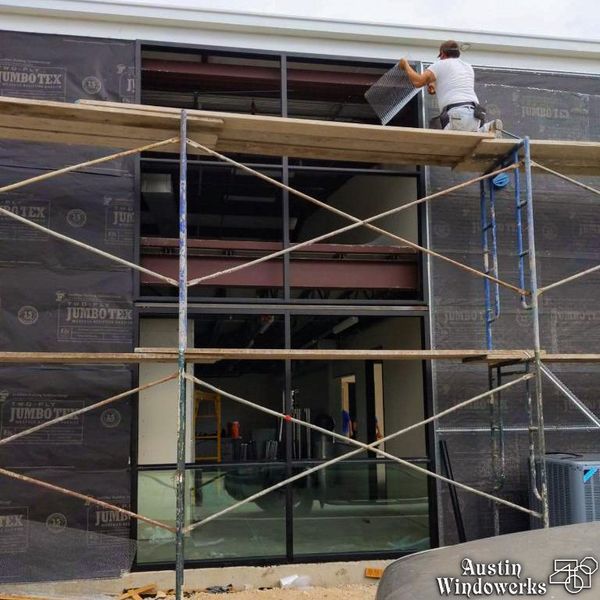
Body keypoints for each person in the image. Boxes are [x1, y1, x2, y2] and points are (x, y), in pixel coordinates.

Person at [398, 40, 502, 134]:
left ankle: (485, 129)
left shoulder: (440, 64)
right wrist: (434, 86)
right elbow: (453, 84)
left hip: (457, 114)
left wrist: (405, 65)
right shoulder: (468, 67)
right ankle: (486, 128)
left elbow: (417, 82)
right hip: (476, 115)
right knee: (468, 136)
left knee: (441, 142)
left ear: (442, 54)